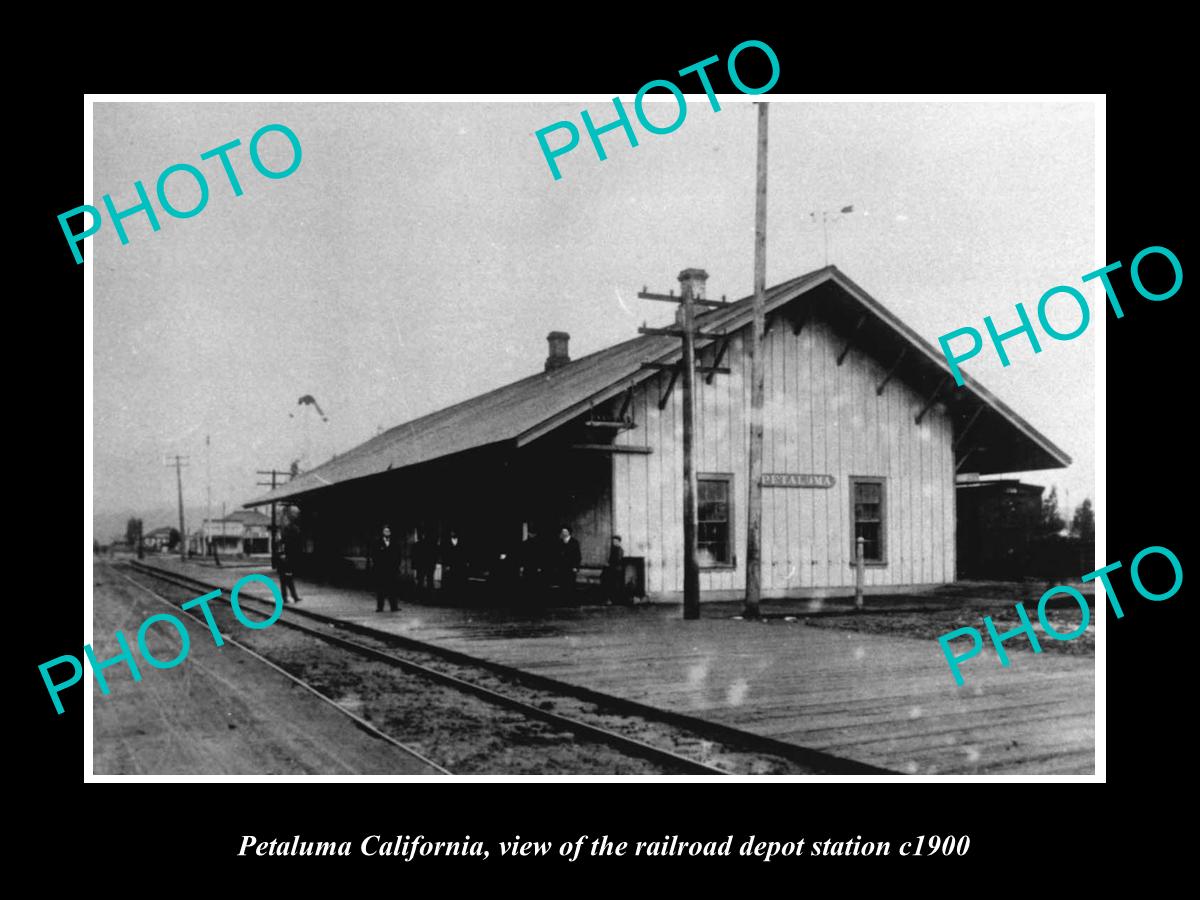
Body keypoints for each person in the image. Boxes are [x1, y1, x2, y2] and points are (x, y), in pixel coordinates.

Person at [370, 524, 402, 612]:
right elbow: (375, 556)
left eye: (388, 531)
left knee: (393, 588)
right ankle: (380, 607)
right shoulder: (377, 543)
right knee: (381, 589)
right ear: (382, 532)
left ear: (391, 532)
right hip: (381, 570)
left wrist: (396, 566)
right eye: (385, 531)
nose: (387, 532)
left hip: (392, 569)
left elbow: (398, 556)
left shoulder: (395, 543)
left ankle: (394, 606)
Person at [275, 513, 303, 604]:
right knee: (286, 578)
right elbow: (280, 543)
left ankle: (289, 597)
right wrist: (282, 554)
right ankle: (291, 597)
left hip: (286, 557)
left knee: (286, 578)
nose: (284, 521)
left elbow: (281, 543)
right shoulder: (286, 530)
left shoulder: (286, 530)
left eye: (286, 519)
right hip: (285, 557)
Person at [551, 525, 582, 601]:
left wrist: (575, 567)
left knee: (570, 584)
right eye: (562, 532)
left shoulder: (574, 542)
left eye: (565, 531)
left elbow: (577, 556)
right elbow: (556, 555)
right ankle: (563, 600)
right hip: (562, 567)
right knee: (562, 583)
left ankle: (570, 600)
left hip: (571, 567)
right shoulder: (559, 542)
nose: (563, 533)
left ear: (569, 533)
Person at [440, 530, 467, 600]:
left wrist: (465, 562)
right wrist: (446, 564)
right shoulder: (446, 542)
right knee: (450, 580)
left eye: (455, 532)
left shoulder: (462, 542)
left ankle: (458, 596)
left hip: (459, 564)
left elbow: (464, 553)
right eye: (452, 532)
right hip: (450, 564)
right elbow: (444, 554)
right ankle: (449, 596)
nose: (453, 533)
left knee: (459, 580)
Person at [602, 534, 626, 605]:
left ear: (619, 542)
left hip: (616, 570)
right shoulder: (614, 549)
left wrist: (609, 564)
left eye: (615, 541)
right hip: (612, 569)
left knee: (614, 585)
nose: (614, 542)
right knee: (610, 585)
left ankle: (614, 600)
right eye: (613, 541)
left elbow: (618, 560)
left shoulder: (620, 550)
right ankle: (611, 600)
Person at [412, 530, 435, 596]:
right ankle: (420, 595)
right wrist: (414, 566)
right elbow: (414, 556)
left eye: (424, 535)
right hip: (421, 566)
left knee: (429, 581)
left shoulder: (431, 545)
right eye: (422, 535)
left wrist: (433, 564)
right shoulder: (417, 545)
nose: (423, 536)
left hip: (429, 565)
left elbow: (434, 555)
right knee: (420, 581)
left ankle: (429, 596)